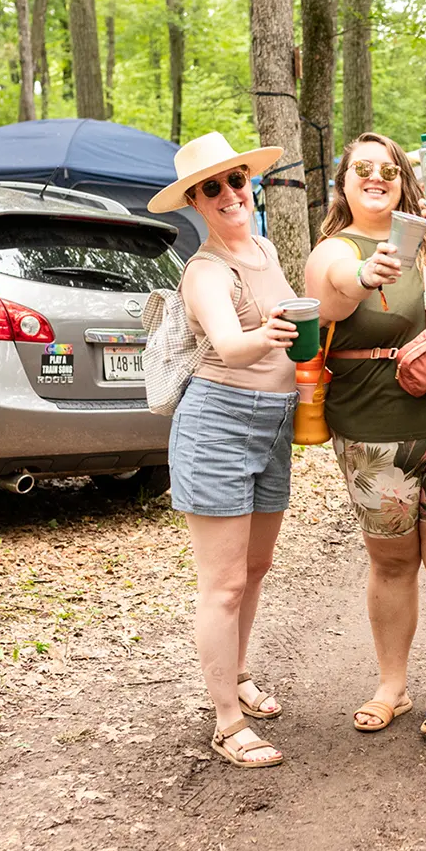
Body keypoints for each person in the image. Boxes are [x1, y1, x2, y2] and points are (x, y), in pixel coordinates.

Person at [303, 132, 426, 741]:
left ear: (405, 179)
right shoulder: (334, 249)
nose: (376, 176)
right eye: (362, 169)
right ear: (343, 182)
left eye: (389, 168)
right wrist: (365, 273)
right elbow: (333, 293)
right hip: (373, 431)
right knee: (390, 564)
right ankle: (393, 685)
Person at [147, 132, 302, 768]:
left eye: (235, 180)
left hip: (274, 424)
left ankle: (236, 674)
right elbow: (233, 346)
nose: (228, 194)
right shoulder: (206, 269)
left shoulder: (265, 249)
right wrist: (270, 332)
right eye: (210, 189)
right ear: (194, 202)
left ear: (250, 183)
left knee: (256, 569)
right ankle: (226, 721)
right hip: (218, 423)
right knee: (223, 583)